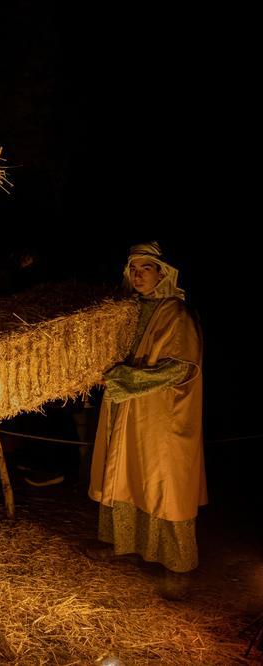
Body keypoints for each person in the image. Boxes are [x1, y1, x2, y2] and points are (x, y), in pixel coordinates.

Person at [87, 242, 206, 600]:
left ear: (162, 272)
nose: (138, 276)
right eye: (133, 269)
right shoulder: (127, 311)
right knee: (125, 473)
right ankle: (123, 544)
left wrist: (126, 378)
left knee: (166, 485)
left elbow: (181, 368)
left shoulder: (177, 314)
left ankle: (178, 567)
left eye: (146, 268)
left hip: (162, 416)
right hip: (128, 412)